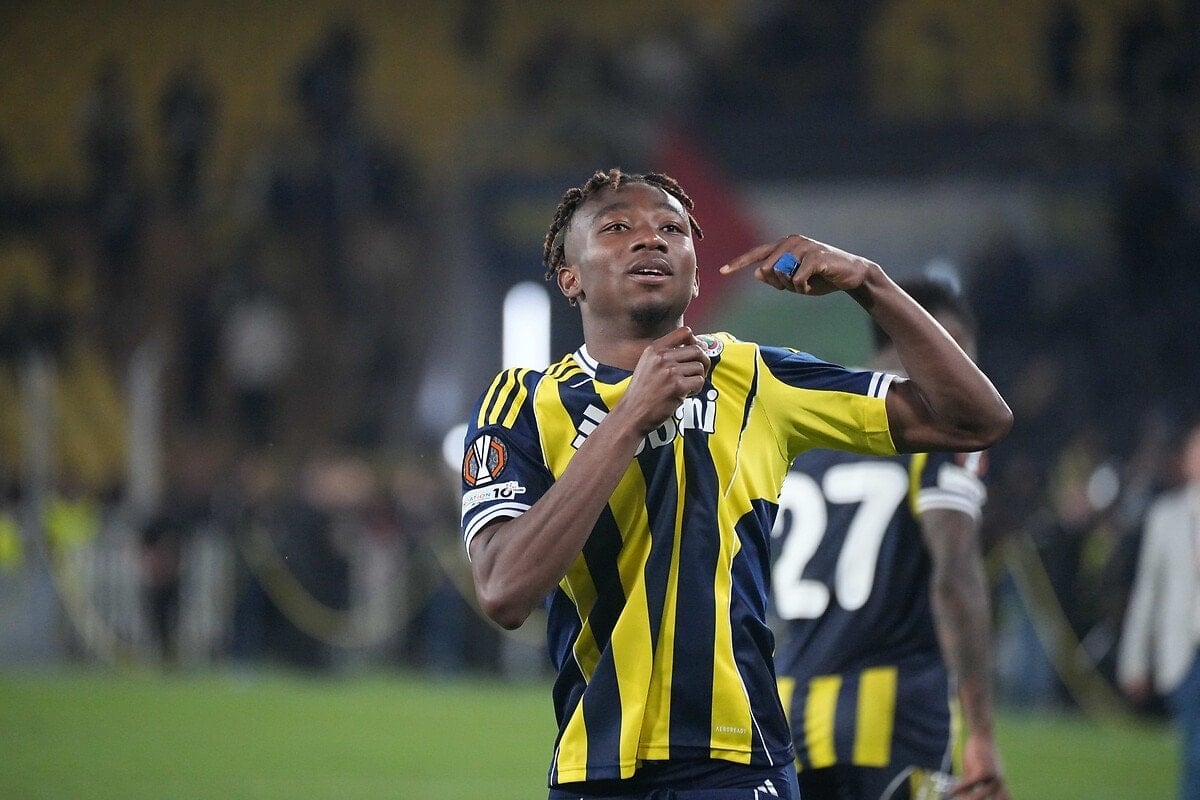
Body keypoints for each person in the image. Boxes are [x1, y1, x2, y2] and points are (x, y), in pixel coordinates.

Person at [460, 169, 1012, 800]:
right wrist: (629, 418)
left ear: (696, 275)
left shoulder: (755, 378)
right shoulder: (522, 402)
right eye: (617, 227)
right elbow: (503, 590)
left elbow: (978, 420)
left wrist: (869, 282)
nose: (651, 239)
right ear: (570, 278)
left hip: (740, 766)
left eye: (672, 229)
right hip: (595, 768)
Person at [771, 278, 1010, 800]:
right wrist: (982, 732)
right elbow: (954, 576)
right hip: (894, 715)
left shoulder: (807, 422)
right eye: (963, 356)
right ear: (936, 343)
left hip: (787, 714)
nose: (972, 375)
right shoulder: (946, 424)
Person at [1118, 417, 1200, 800]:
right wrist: (1135, 660)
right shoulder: (1166, 516)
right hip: (1183, 652)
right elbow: (1148, 593)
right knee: (1194, 749)